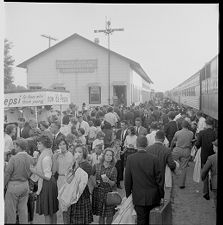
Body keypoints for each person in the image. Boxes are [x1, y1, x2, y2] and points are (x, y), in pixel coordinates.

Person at [125, 136, 164, 225]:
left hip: (138, 196)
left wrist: (128, 195)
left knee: (141, 220)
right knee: (153, 220)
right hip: (153, 196)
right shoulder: (154, 158)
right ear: (146, 145)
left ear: (136, 144)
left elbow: (128, 179)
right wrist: (161, 195)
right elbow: (159, 179)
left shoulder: (131, 158)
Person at [30, 135, 59, 224]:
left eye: (39, 143)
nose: (37, 145)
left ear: (45, 145)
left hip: (47, 184)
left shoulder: (45, 157)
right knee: (52, 211)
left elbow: (47, 176)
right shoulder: (46, 153)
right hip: (50, 183)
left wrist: (34, 171)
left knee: (48, 211)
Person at [4, 138, 34, 224]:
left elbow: (7, 174)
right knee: (23, 210)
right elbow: (32, 171)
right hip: (25, 184)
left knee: (11, 211)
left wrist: (3, 185)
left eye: (15, 145)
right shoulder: (31, 158)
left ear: (19, 147)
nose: (14, 147)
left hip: (14, 185)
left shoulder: (13, 159)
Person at [63, 145, 93, 224]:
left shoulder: (87, 165)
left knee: (81, 220)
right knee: (72, 218)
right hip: (72, 192)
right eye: (76, 152)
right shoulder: (74, 164)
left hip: (81, 193)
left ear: (84, 154)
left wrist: (76, 165)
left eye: (80, 152)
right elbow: (68, 179)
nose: (77, 154)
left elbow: (79, 180)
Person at [92, 148, 118, 224]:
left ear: (112, 157)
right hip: (99, 192)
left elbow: (114, 183)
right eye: (107, 155)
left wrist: (108, 181)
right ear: (104, 156)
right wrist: (95, 183)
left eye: (111, 155)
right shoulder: (96, 166)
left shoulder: (114, 169)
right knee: (101, 215)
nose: (109, 156)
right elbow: (91, 176)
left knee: (110, 214)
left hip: (109, 194)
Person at [194, 118, 216, 200]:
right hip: (213, 156)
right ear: (212, 125)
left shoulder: (202, 133)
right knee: (213, 173)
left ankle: (206, 192)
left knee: (205, 173)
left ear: (206, 124)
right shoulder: (215, 133)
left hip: (204, 157)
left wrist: (195, 148)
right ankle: (212, 186)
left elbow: (198, 144)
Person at [171, 120, 194, 188]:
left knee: (171, 163)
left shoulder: (178, 132)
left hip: (177, 149)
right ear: (188, 126)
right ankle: (181, 184)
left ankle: (171, 179)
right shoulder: (191, 133)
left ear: (181, 125)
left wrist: (171, 147)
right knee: (184, 167)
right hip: (186, 150)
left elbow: (173, 141)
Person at [201, 139, 217, 210]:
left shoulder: (211, 158)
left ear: (216, 147)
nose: (213, 147)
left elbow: (204, 171)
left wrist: (203, 177)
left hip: (215, 183)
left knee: (216, 198)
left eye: (213, 146)